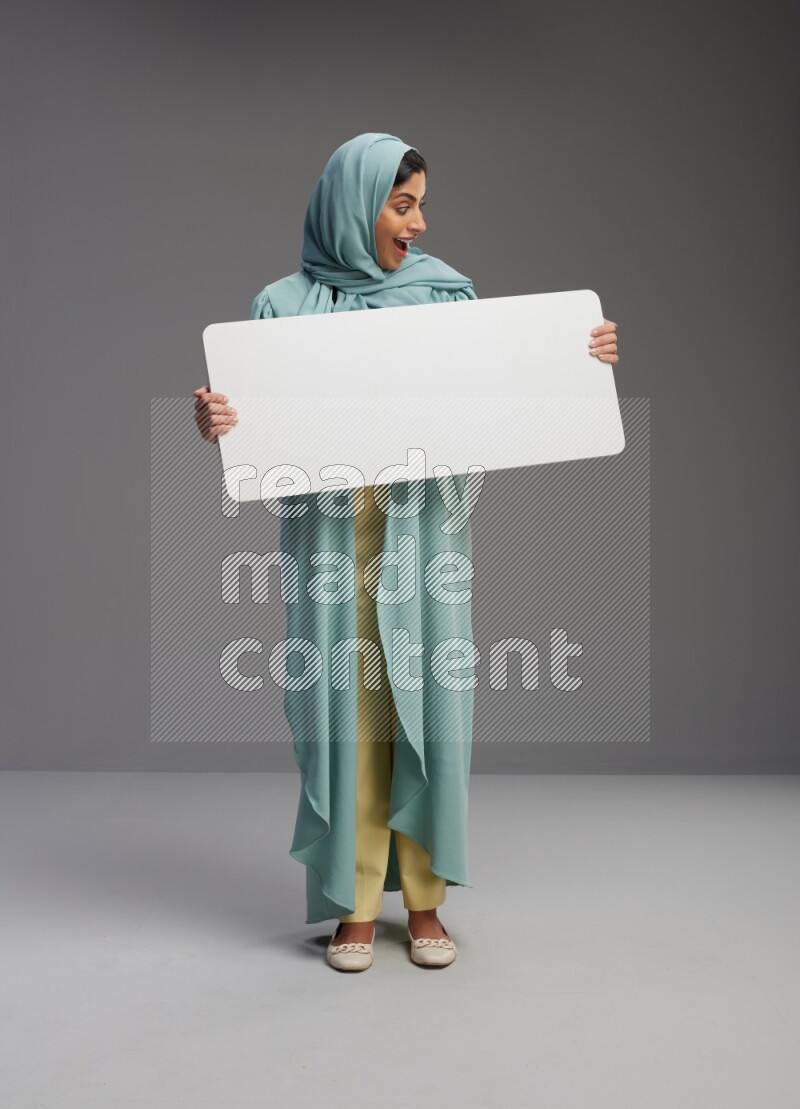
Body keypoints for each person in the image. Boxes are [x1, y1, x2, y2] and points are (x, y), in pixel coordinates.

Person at [193, 132, 620, 972]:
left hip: (424, 539)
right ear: (355, 207)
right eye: (403, 204)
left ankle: (425, 901)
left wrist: (584, 361)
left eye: (421, 202)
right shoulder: (283, 306)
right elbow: (255, 429)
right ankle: (353, 904)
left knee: (425, 707)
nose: (419, 222)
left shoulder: (446, 296)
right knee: (346, 717)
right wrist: (213, 422)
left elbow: (510, 396)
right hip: (329, 546)